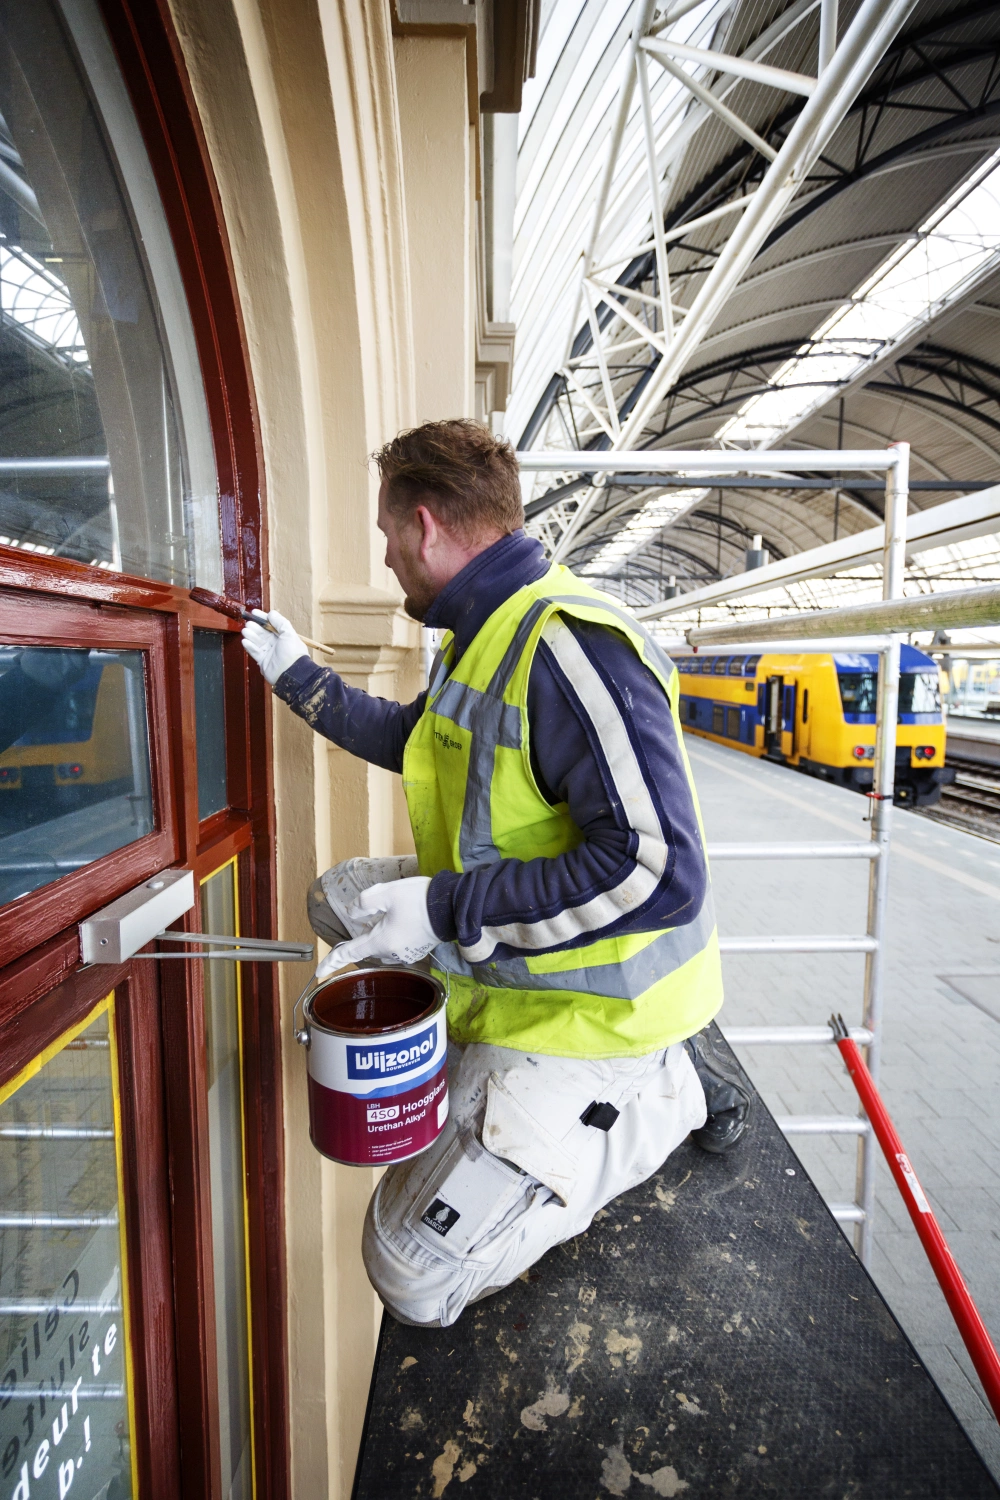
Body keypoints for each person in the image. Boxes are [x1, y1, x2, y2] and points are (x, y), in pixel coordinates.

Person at [241, 419, 750, 1329]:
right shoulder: (479, 636)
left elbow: (659, 874)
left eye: (388, 536)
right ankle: (472, 1020)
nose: (388, 557)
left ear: (427, 526)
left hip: (601, 1008)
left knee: (412, 1274)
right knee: (338, 901)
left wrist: (443, 908)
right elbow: (415, 739)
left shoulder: (569, 647)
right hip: (516, 946)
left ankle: (671, 1088)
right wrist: (297, 676)